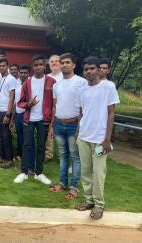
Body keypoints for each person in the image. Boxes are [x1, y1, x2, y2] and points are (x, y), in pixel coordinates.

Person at [76, 56, 119, 220]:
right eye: (86, 69)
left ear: (98, 69)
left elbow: (111, 112)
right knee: (85, 171)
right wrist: (79, 132)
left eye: (92, 68)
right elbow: (81, 112)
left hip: (101, 140)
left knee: (98, 173)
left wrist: (107, 139)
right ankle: (89, 200)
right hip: (84, 138)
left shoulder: (108, 87)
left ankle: (99, 205)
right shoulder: (82, 90)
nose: (89, 71)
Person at [48, 53, 87, 198]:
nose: (64, 65)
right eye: (62, 62)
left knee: (75, 156)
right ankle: (62, 183)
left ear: (74, 65)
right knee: (63, 155)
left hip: (73, 125)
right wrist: (52, 124)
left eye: (67, 62)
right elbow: (54, 106)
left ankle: (74, 187)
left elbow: (84, 106)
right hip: (58, 123)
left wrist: (80, 126)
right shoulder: (56, 85)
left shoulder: (81, 82)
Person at [15, 55, 55, 184]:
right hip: (29, 118)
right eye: (36, 65)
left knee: (41, 146)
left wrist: (52, 122)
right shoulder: (27, 82)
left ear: (45, 66)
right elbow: (20, 103)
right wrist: (28, 105)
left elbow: (55, 103)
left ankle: (39, 173)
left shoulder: (51, 81)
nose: (38, 67)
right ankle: (24, 172)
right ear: (33, 67)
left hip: (44, 119)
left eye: (40, 64)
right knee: (26, 145)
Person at [0, 58, 15, 168]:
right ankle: (2, 157)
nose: (1, 67)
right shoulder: (0, 78)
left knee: (6, 136)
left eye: (3, 65)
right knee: (0, 136)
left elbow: (11, 97)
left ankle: (9, 159)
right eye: (0, 66)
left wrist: (8, 114)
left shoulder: (11, 79)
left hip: (5, 111)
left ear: (7, 66)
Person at [45, 55, 63, 162]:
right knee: (48, 134)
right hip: (48, 109)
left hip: (61, 109)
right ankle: (48, 155)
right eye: (52, 61)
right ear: (49, 64)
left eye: (57, 61)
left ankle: (62, 157)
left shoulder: (63, 77)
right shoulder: (46, 77)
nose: (54, 63)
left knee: (60, 135)